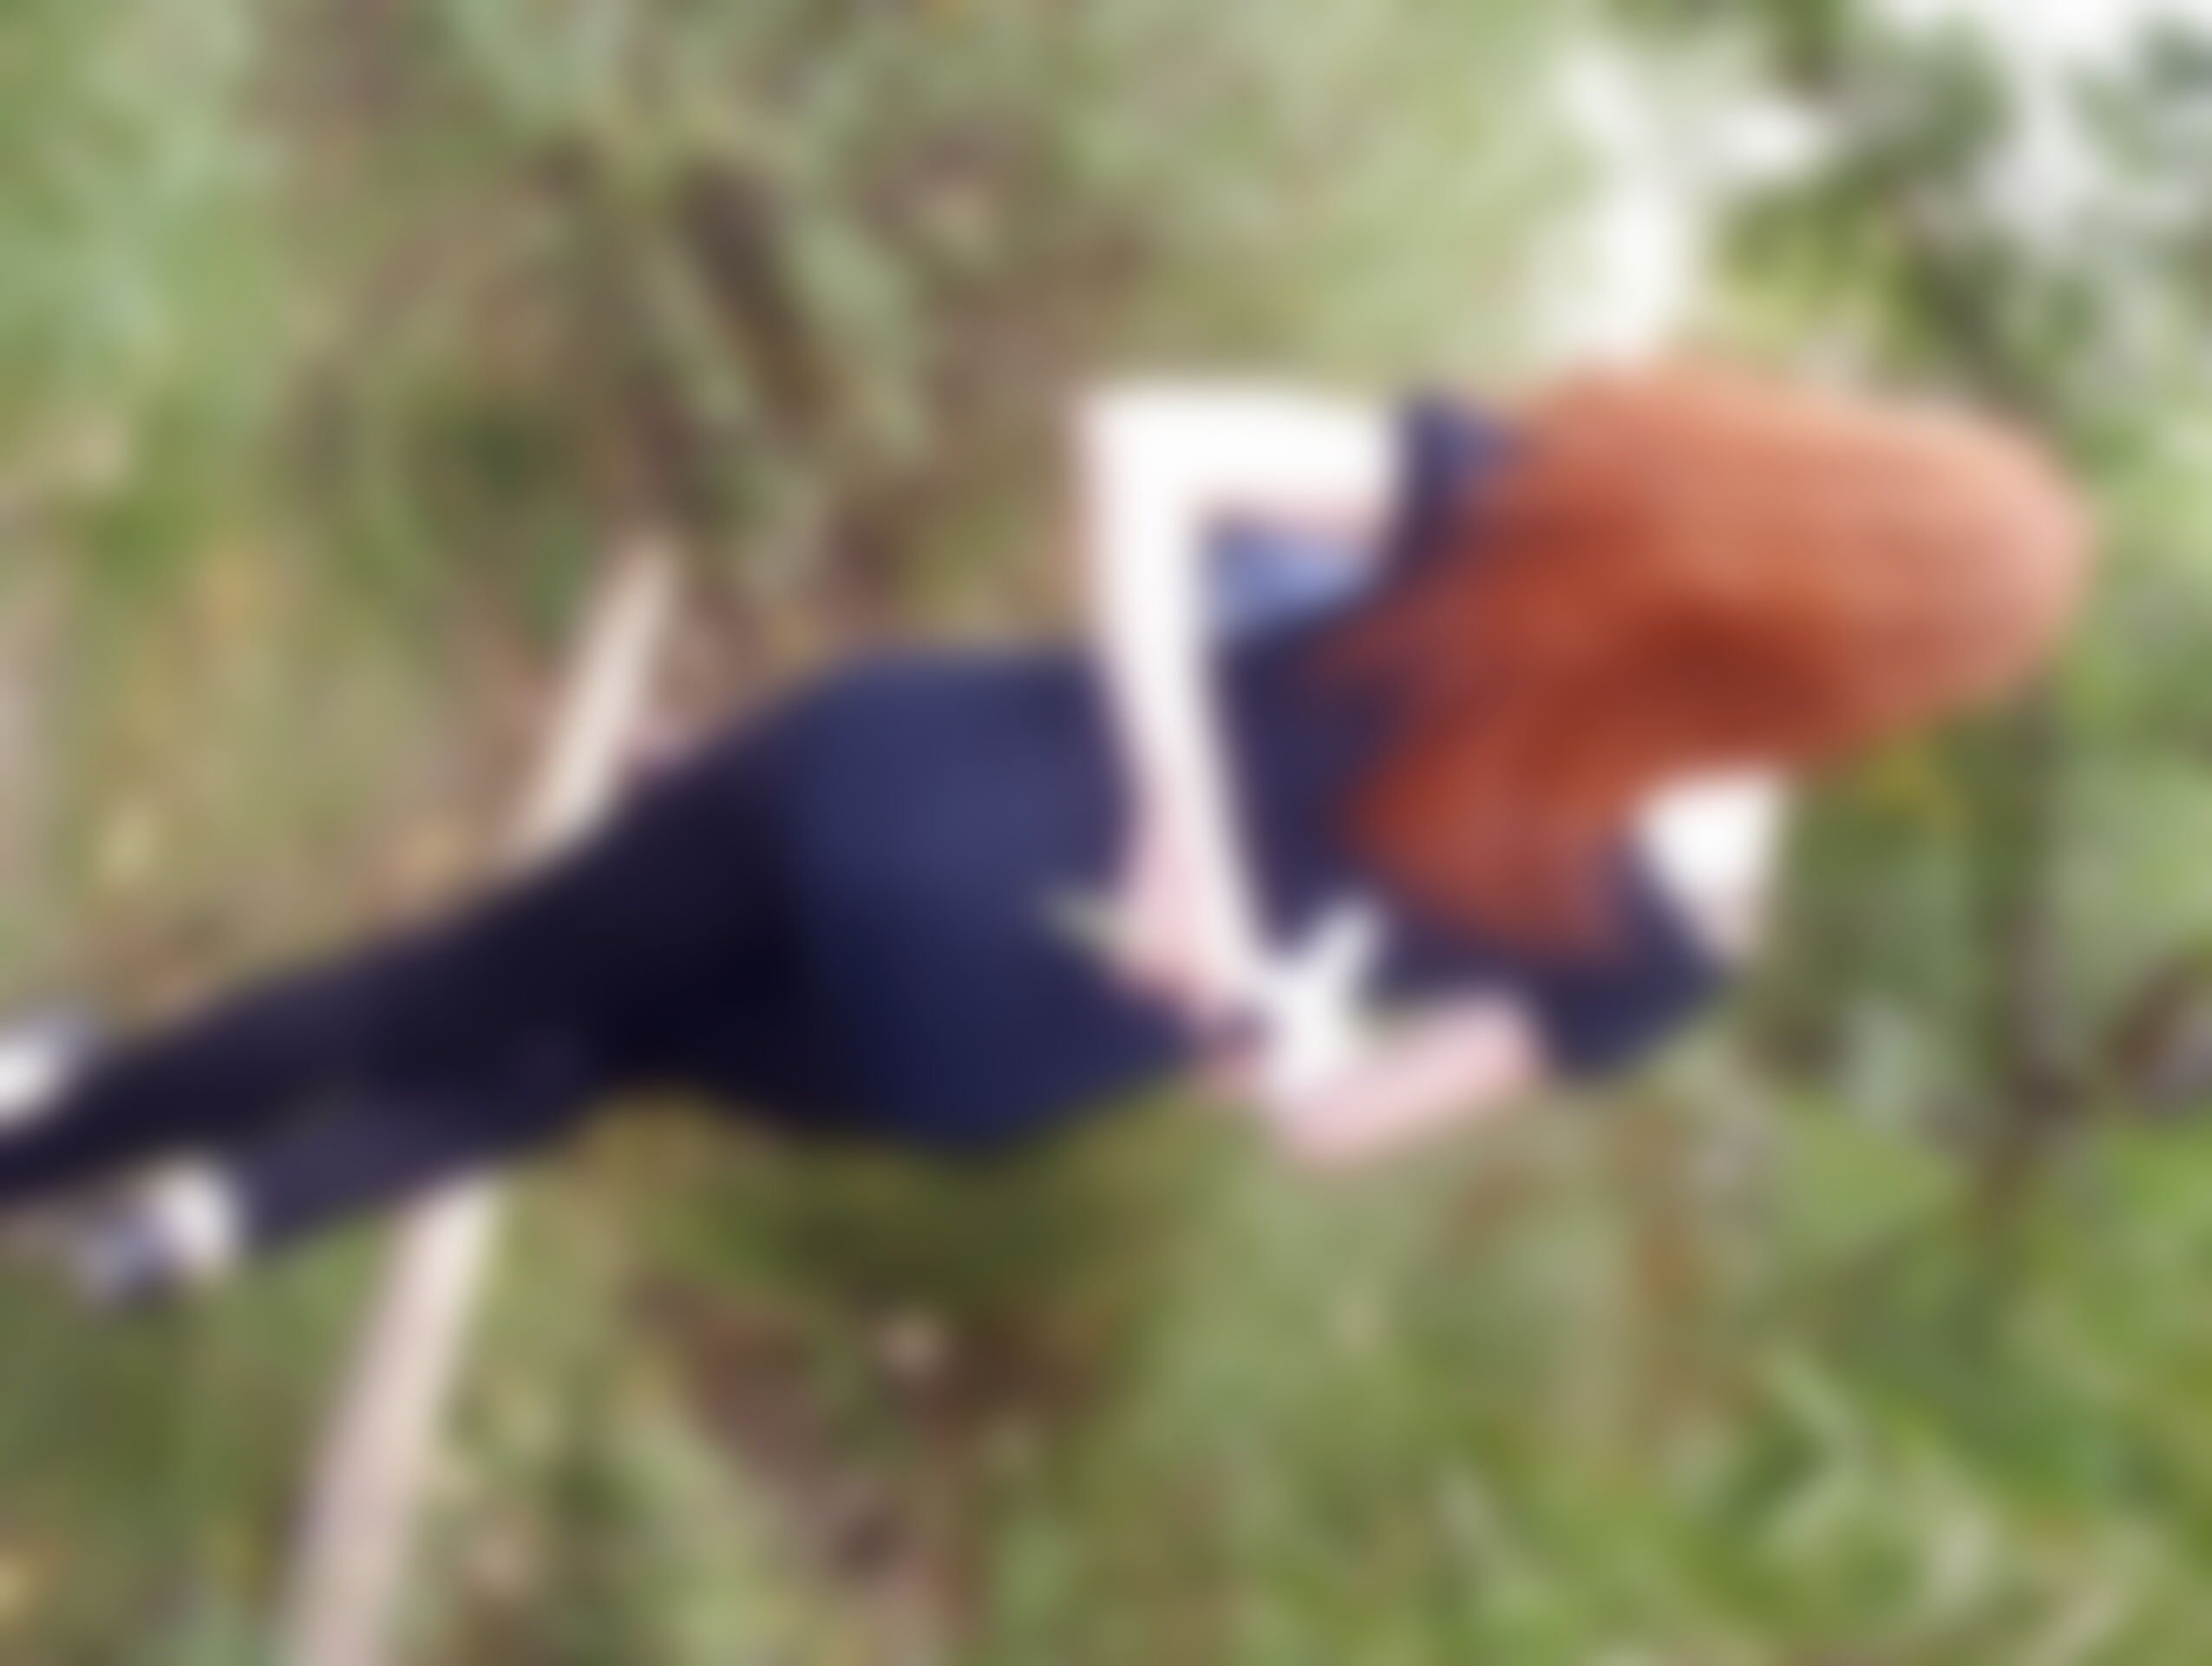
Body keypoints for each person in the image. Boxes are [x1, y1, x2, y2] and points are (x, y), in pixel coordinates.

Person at [0, 364, 2091, 1302]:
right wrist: (1250, 996)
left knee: (447, 985)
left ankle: (48, 1144)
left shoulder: (1548, 506)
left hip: (881, 798)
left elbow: (1145, 441)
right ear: (1884, 694)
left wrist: (1183, 815)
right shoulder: (1677, 957)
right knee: (590, 1061)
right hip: (972, 1056)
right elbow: (1322, 1125)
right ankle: (202, 1230)